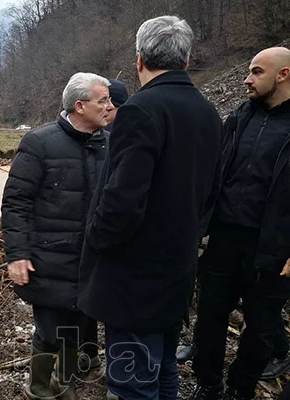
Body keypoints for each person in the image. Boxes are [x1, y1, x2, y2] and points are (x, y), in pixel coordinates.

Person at [77, 15, 223, 400]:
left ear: (139, 59)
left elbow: (122, 198)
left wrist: (96, 239)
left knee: (132, 383)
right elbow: (211, 192)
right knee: (163, 368)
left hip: (134, 277)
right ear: (187, 61)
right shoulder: (209, 113)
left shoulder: (141, 109)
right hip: (178, 268)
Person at [1, 72, 113, 399]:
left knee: (78, 326)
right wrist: (17, 254)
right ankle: (38, 389)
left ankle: (63, 382)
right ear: (80, 106)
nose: (110, 106)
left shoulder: (109, 144)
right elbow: (16, 202)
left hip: (91, 259)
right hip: (48, 257)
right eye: (103, 100)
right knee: (50, 330)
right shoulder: (39, 143)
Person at [189, 46, 290, 400]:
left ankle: (239, 390)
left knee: (261, 329)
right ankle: (208, 384)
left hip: (273, 248)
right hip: (224, 239)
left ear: (283, 75)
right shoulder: (239, 118)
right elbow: (215, 173)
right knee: (209, 317)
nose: (247, 79)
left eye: (257, 72)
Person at [79, 77, 131, 375]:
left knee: (107, 305)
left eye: (109, 103)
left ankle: (111, 367)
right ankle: (94, 357)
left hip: (107, 232)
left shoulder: (121, 140)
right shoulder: (97, 135)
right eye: (102, 102)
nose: (106, 108)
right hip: (96, 230)